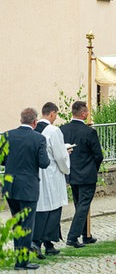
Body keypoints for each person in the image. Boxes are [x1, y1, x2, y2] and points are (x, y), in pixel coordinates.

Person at [1, 108, 50, 270]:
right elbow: (44, 163)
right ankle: (22, 262)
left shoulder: (7, 135)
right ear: (35, 122)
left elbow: (2, 160)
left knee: (17, 224)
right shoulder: (39, 139)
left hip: (11, 186)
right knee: (27, 224)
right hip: (28, 186)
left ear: (21, 120)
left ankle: (18, 259)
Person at [60, 101, 103, 248]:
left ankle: (86, 234)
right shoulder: (89, 132)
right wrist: (93, 168)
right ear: (83, 113)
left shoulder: (63, 129)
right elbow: (98, 155)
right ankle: (72, 237)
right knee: (83, 205)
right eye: (87, 112)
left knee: (80, 205)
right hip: (86, 173)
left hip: (71, 172)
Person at [32, 102, 70, 259]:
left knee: (40, 209)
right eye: (56, 114)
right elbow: (60, 155)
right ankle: (41, 242)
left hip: (36, 174)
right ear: (52, 113)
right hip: (52, 174)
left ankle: (47, 244)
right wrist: (66, 165)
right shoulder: (54, 131)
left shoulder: (33, 129)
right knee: (52, 209)